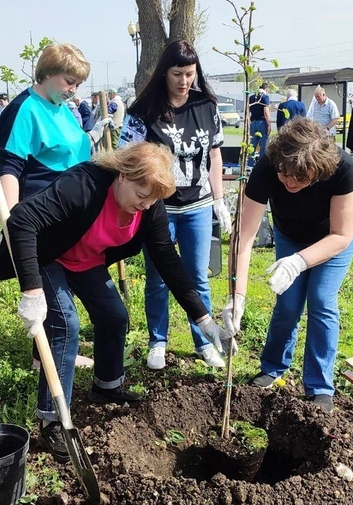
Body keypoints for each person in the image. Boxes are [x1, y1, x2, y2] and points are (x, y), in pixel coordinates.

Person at [0, 142, 228, 461]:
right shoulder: (83, 184)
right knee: (66, 324)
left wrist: (203, 319)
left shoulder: (150, 207)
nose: (146, 206)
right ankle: (52, 422)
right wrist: (32, 292)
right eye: (141, 195)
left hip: (85, 260)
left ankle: (106, 387)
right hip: (49, 255)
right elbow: (21, 221)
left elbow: (167, 260)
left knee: (115, 317)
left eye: (152, 200)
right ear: (122, 175)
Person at [221, 118, 353, 414]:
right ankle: (272, 368)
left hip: (332, 235)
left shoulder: (343, 167)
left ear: (319, 170)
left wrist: (300, 261)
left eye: (300, 178)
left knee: (321, 300)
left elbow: (342, 234)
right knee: (287, 303)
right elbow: (243, 237)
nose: (290, 183)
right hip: (290, 233)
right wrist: (238, 296)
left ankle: (320, 387)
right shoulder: (268, 167)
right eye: (285, 176)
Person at [119, 39, 232, 370]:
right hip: (159, 209)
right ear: (164, 73)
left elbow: (214, 155)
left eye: (190, 74)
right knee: (158, 277)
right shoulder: (144, 112)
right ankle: (158, 340)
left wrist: (220, 200)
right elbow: (127, 158)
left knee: (198, 276)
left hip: (197, 205)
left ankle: (204, 340)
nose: (184, 81)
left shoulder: (206, 106)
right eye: (177, 74)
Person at [0, 42, 110, 208]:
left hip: (74, 208)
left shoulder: (61, 107)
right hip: (44, 210)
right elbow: (10, 168)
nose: (73, 90)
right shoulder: (25, 109)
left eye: (78, 85)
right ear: (49, 73)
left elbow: (67, 148)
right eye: (69, 81)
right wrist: (12, 223)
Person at [249, 82, 272, 163]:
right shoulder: (265, 97)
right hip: (262, 122)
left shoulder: (251, 97)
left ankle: (249, 164)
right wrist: (269, 124)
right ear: (266, 89)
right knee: (263, 146)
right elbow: (266, 111)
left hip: (253, 122)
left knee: (252, 145)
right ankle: (262, 164)